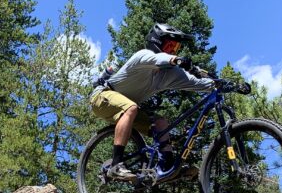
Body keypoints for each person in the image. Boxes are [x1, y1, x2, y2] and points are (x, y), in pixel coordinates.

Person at [90, 23, 214, 182]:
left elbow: (196, 83)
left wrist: (221, 85)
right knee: (131, 107)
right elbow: (159, 58)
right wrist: (176, 59)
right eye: (170, 45)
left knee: (161, 123)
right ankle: (116, 165)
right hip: (102, 97)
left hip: (127, 111)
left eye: (175, 48)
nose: (172, 51)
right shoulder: (143, 55)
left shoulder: (169, 73)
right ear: (157, 42)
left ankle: (167, 167)